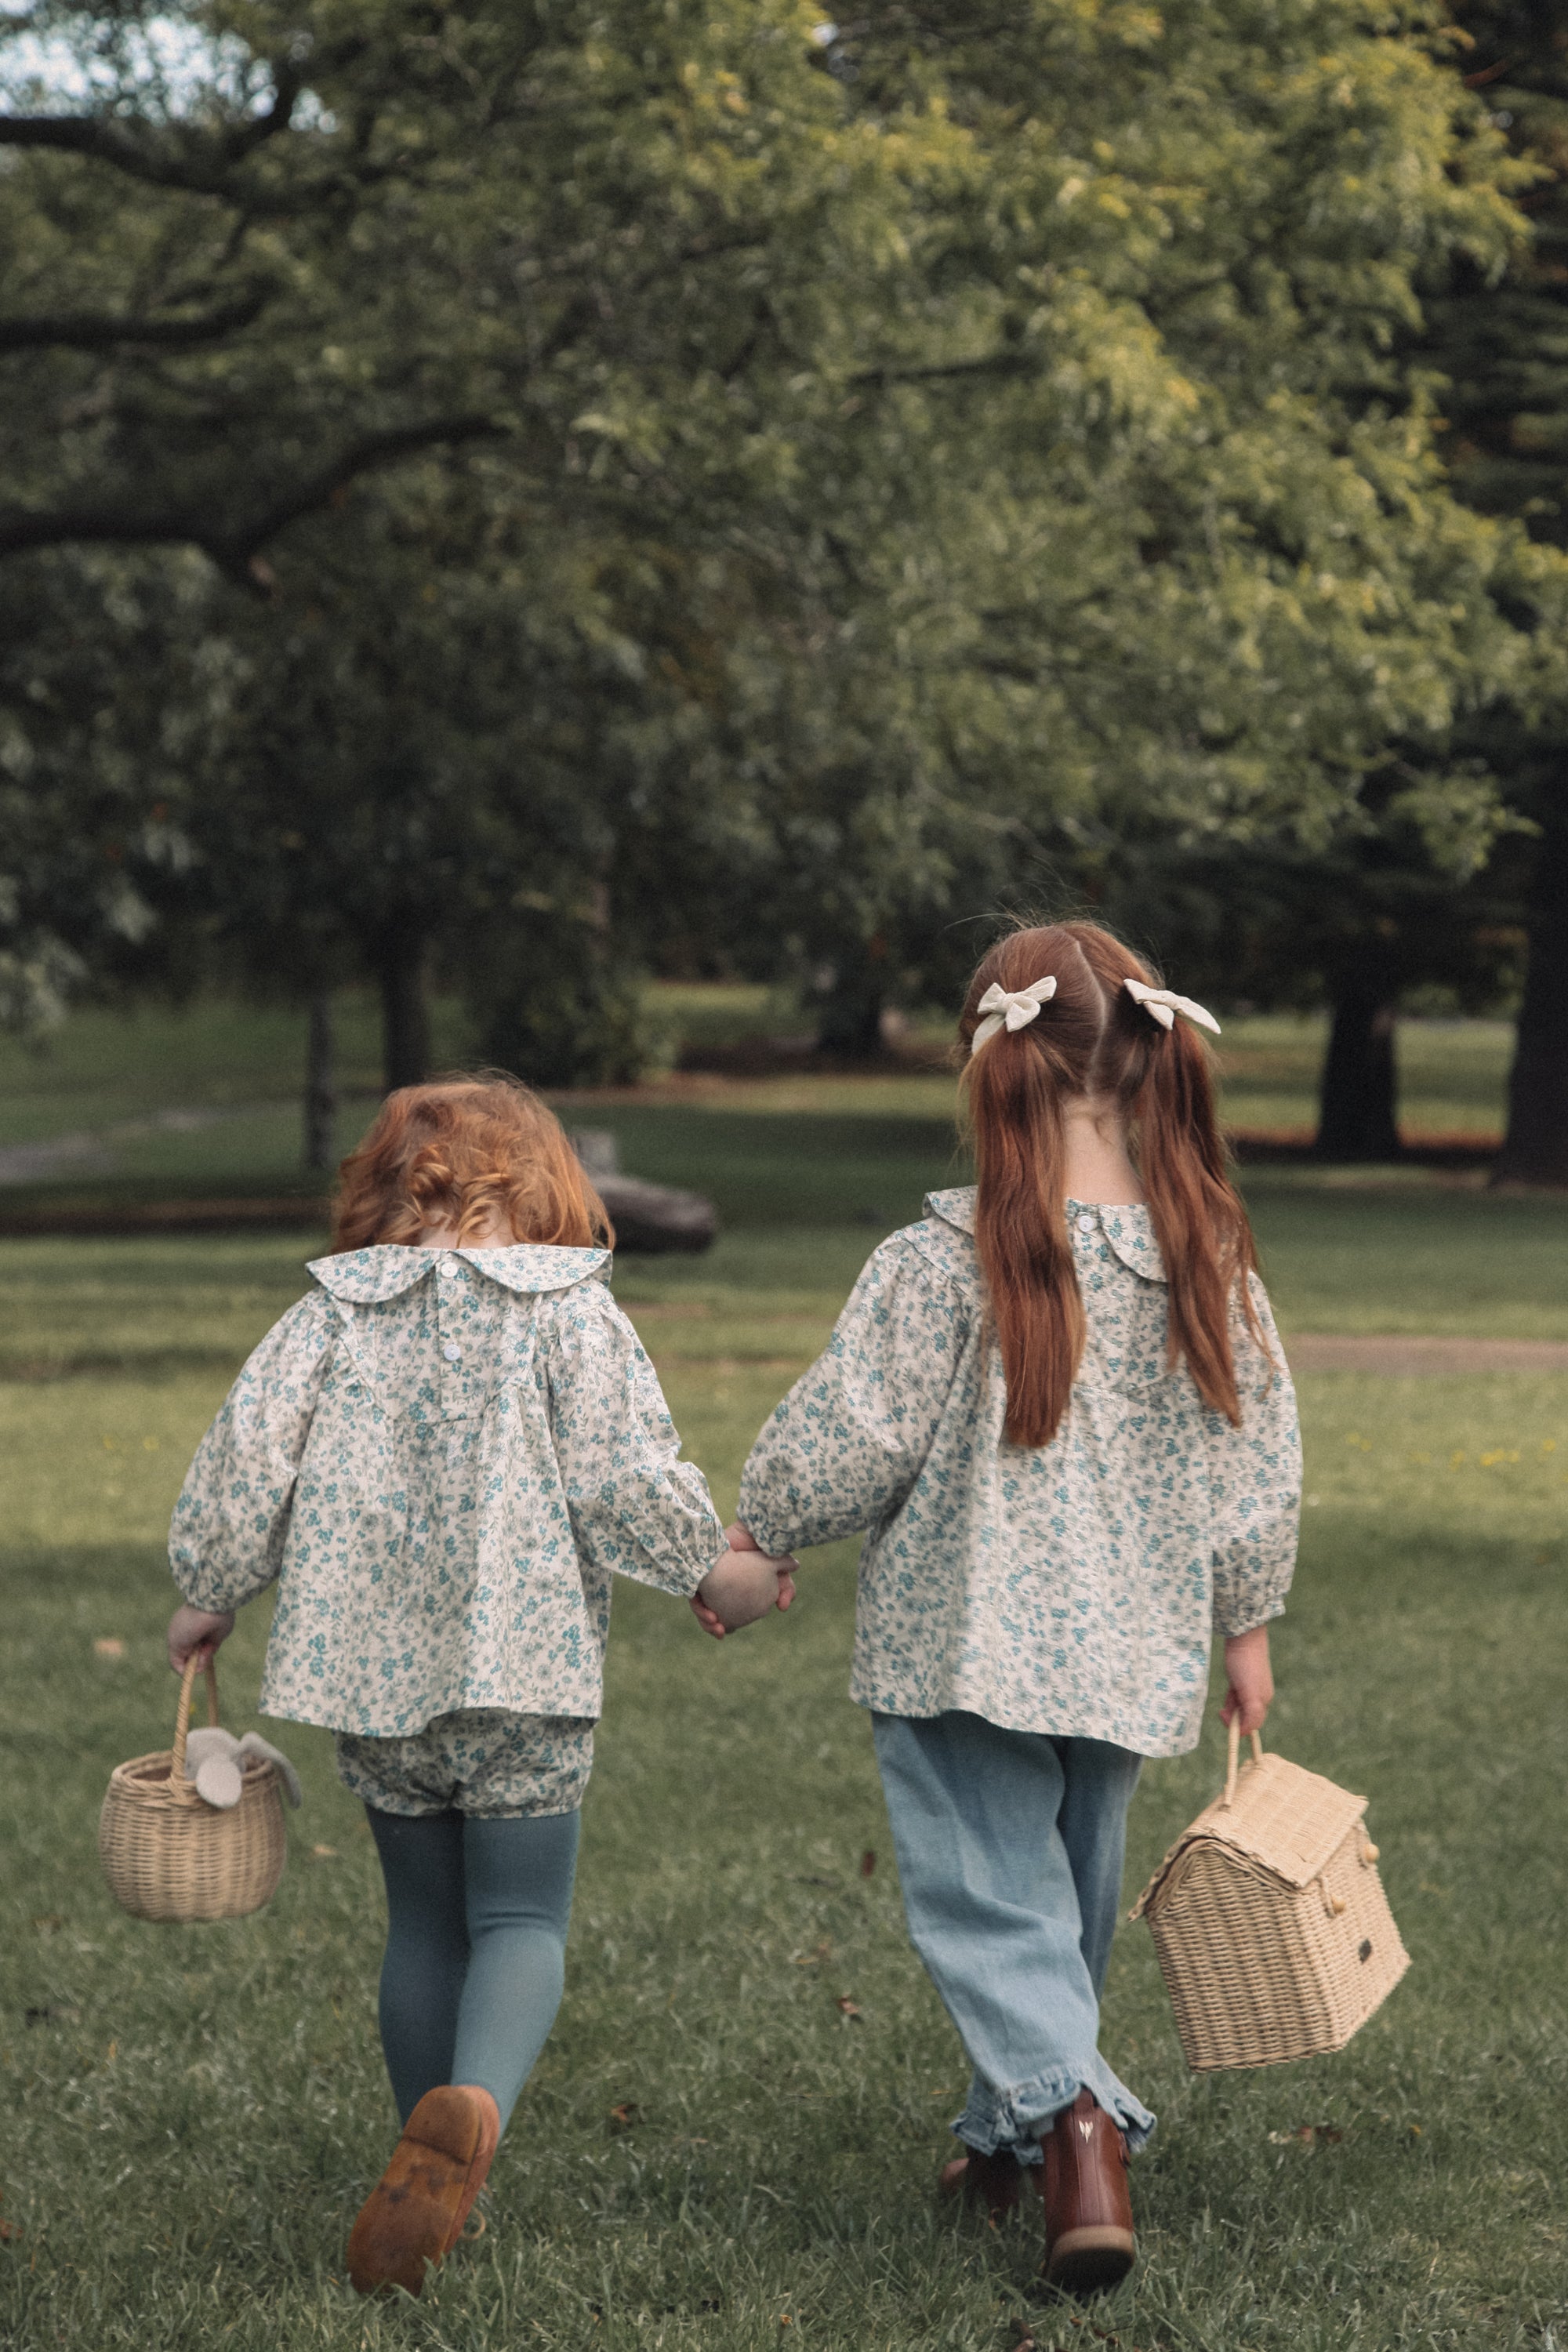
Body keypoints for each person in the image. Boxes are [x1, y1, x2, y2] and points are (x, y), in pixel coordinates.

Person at [696, 922, 1301, 2296]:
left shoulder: (937, 1262)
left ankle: (1077, 2126)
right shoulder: (1207, 1262)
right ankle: (1003, 2146)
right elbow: (1255, 1470)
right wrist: (1245, 1625)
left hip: (960, 1643)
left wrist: (762, 1533)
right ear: (1146, 1063)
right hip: (1129, 1652)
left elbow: (854, 1433)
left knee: (991, 1906)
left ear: (989, 1070)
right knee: (1060, 1915)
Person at [165, 1076, 793, 2299]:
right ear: (540, 1186)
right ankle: (473, 2120)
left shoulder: (330, 1316)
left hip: (372, 1680)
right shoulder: (569, 1312)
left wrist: (211, 1588)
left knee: (423, 1927)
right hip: (527, 1675)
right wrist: (718, 1572)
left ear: (383, 1192)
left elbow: (246, 1466)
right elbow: (626, 1478)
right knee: (520, 1923)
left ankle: (431, 2161)